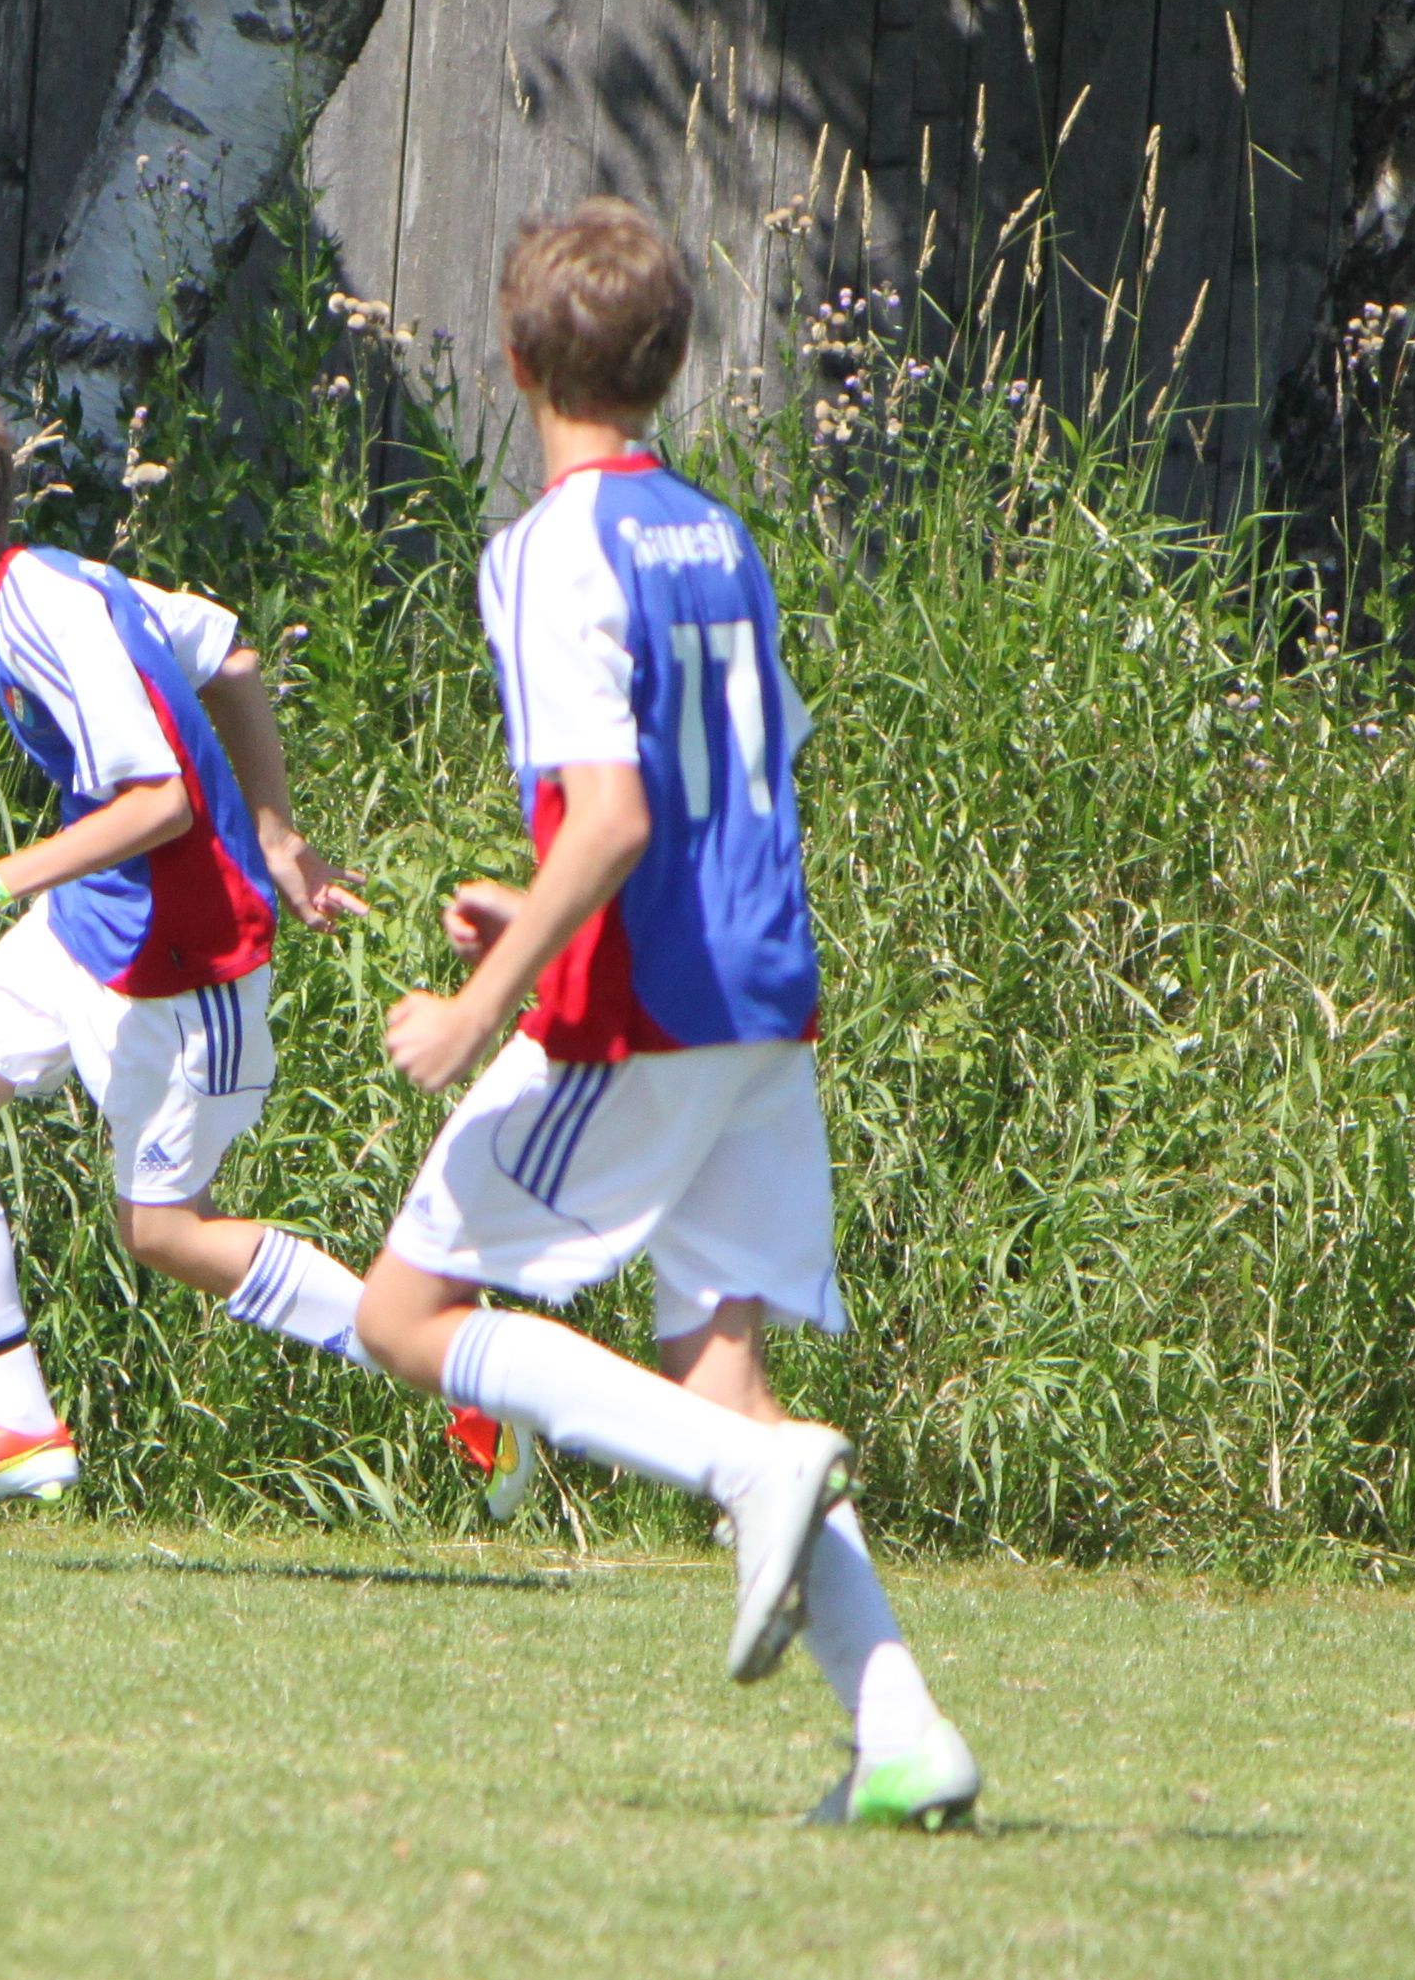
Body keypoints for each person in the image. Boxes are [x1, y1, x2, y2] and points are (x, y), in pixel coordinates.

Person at [347, 199, 981, 1830]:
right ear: (671, 363)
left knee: (404, 1315)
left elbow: (619, 815)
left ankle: (749, 1481)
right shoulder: (715, 534)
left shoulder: (547, 549)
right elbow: (721, 786)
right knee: (722, 1382)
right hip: (760, 997)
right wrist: (536, 905)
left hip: (642, 1012)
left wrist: (481, 1002)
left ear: (511, 362)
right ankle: (903, 1733)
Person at [0, 376, 372, 1514]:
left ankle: (434, 1349)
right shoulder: (54, 583)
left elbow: (159, 803)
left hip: (183, 962)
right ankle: (15, 1423)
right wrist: (278, 830)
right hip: (92, 925)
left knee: (165, 1234)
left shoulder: (49, 611)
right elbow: (229, 655)